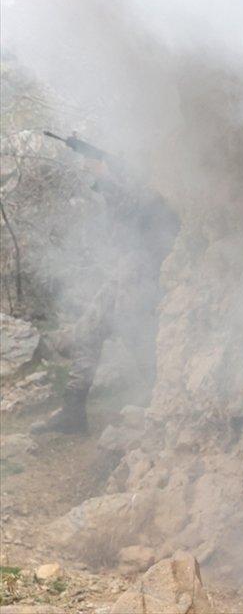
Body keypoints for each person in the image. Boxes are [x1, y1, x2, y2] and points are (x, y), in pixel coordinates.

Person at [33, 156, 178, 435]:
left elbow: (135, 216)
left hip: (147, 272)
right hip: (131, 268)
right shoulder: (139, 174)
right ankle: (73, 411)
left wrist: (105, 177)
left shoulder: (162, 179)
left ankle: (168, 402)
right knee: (89, 330)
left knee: (136, 336)